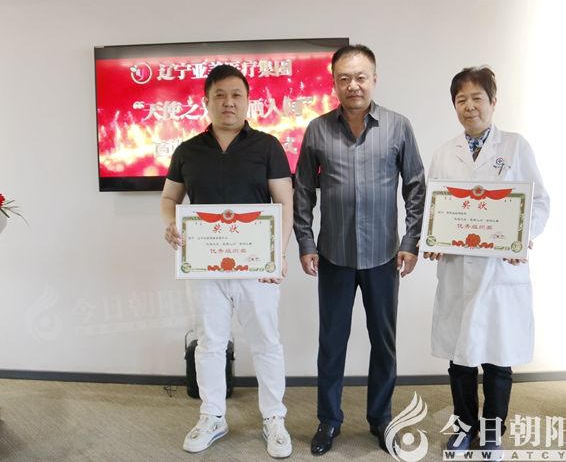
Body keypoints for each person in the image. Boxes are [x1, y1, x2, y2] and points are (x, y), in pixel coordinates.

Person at [294, 44, 426, 455]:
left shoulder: (398, 126)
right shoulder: (317, 129)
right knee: (332, 342)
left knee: (383, 342)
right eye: (344, 78)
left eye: (361, 77)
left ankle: (381, 418)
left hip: (384, 256)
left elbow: (415, 186)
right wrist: (305, 242)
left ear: (374, 79)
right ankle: (328, 420)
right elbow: (303, 190)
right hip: (333, 255)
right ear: (334, 83)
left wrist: (410, 241)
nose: (353, 85)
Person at [160, 64, 294, 459]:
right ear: (206, 101)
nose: (228, 102)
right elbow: (169, 199)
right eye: (219, 95)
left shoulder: (267, 146)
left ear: (248, 101)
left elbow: (285, 202)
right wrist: (170, 224)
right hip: (204, 267)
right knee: (210, 344)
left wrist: (278, 255)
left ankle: (274, 418)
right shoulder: (187, 150)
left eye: (236, 95)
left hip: (257, 267)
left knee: (267, 342)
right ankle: (213, 416)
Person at [424, 66, 550, 457]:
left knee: (497, 359)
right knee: (460, 359)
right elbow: (434, 206)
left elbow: (539, 202)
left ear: (493, 102)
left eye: (477, 98)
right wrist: (433, 238)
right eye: (461, 100)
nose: (469, 106)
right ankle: (464, 429)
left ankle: (492, 432)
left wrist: (522, 238)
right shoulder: (444, 152)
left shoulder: (515, 147)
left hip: (500, 271)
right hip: (459, 269)